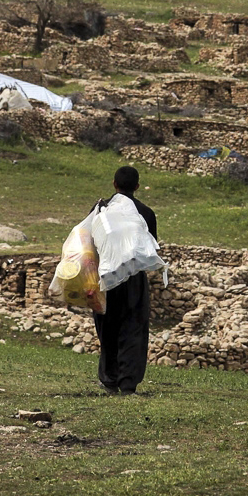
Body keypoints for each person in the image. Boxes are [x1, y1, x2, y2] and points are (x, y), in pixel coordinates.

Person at [93, 166, 156, 395]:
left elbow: (91, 241)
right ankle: (128, 383)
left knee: (108, 328)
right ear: (137, 187)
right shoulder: (146, 213)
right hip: (133, 279)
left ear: (114, 184)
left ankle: (109, 380)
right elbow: (150, 248)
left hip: (105, 277)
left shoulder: (100, 207)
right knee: (133, 328)